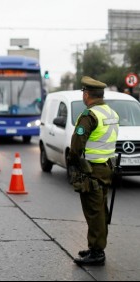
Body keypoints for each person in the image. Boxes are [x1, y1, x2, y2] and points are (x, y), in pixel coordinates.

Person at [68, 76, 119, 266]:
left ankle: (97, 252)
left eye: (84, 93)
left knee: (94, 211)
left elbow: (76, 146)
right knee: (101, 210)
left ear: (87, 94)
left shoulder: (90, 115)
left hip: (92, 170)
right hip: (106, 168)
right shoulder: (111, 112)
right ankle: (95, 247)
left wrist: (73, 161)